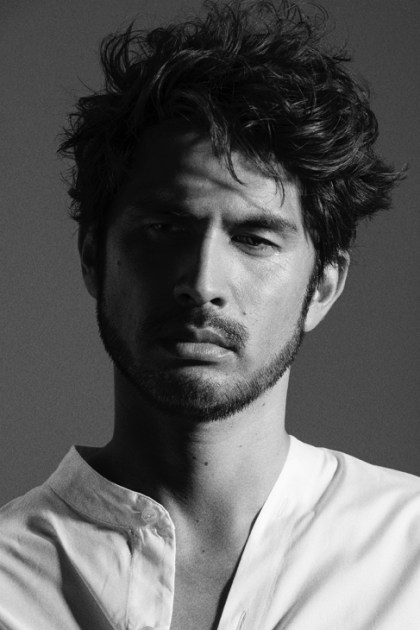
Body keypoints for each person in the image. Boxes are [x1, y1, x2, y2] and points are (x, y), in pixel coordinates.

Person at [0, 1, 418, 628]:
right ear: (93, 258)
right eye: (165, 228)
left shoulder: (409, 555)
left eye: (254, 239)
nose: (201, 284)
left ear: (323, 287)